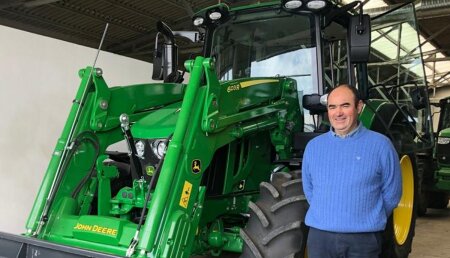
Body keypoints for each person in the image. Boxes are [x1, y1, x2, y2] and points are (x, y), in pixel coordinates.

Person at [301, 84, 402, 258]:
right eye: (332, 107)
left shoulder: (381, 145)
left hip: (363, 240)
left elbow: (392, 193)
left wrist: (366, 216)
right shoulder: (313, 147)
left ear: (359, 107)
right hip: (320, 239)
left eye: (345, 105)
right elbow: (310, 191)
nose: (338, 113)